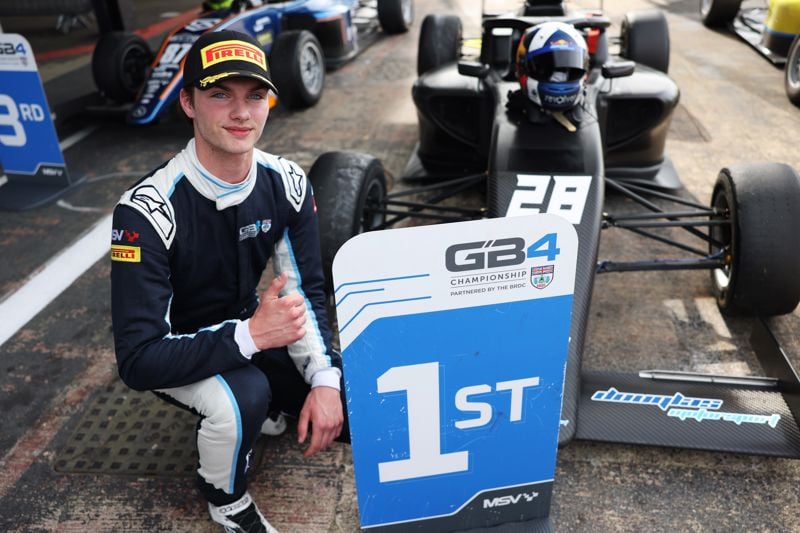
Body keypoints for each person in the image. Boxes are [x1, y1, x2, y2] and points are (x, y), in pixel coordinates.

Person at [110, 30, 347, 533]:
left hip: (248, 325)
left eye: (254, 95)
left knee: (351, 397)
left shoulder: (287, 181)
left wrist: (325, 382)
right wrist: (252, 337)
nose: (241, 113)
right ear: (188, 103)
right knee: (243, 398)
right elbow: (137, 360)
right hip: (175, 347)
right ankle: (226, 500)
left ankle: (272, 401)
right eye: (220, 94)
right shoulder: (146, 210)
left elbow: (305, 291)